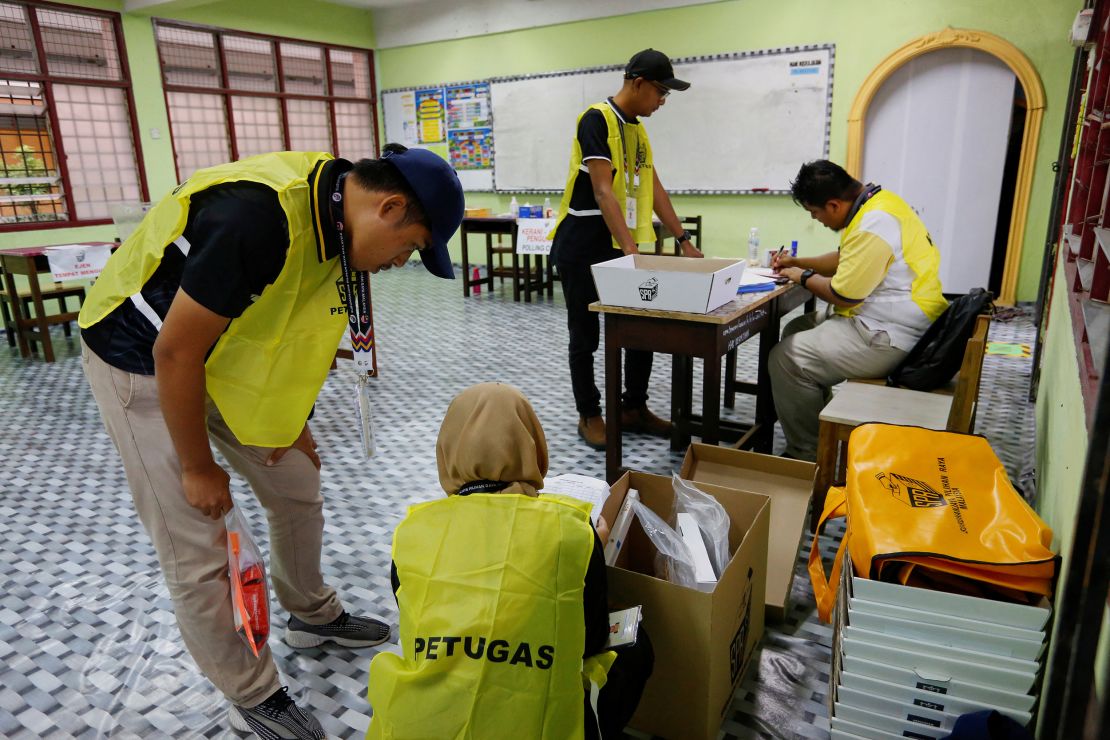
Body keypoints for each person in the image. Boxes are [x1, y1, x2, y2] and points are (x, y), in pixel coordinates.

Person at [78, 144, 465, 739]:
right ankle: (253, 693)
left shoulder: (335, 221)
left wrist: (292, 419)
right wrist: (198, 466)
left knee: (296, 482)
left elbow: (290, 328)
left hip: (220, 354)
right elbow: (176, 352)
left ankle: (310, 614)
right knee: (199, 543)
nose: (398, 264)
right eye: (412, 248)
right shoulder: (257, 217)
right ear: (388, 207)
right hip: (144, 361)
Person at [366, 383, 654, 739]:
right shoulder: (572, 531)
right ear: (531, 443)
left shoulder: (412, 532)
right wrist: (595, 544)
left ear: (447, 450)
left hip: (418, 724)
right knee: (634, 643)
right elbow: (590, 639)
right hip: (535, 725)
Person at [550, 48, 704, 451]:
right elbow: (603, 191)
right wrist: (632, 253)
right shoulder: (596, 120)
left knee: (641, 331)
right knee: (585, 337)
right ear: (637, 83)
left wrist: (684, 240)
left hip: (621, 247)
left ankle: (633, 406)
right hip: (583, 244)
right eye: (660, 91)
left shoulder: (637, 129)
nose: (663, 100)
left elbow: (652, 187)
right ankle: (590, 414)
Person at [769, 160, 947, 461]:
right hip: (897, 320)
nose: (817, 220)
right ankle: (822, 426)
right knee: (796, 329)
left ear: (834, 205)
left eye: (815, 213)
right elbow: (845, 259)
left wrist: (801, 277)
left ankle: (807, 454)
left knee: (785, 359)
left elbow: (844, 295)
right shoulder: (881, 204)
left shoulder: (875, 224)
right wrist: (797, 262)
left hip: (893, 335)